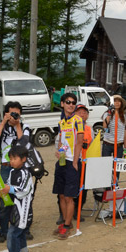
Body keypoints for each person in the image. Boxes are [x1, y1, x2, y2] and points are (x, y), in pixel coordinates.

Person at [0, 101, 31, 243]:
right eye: (11, 113)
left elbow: (24, 144)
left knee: (22, 197)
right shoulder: (1, 127)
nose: (14, 116)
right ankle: (3, 231)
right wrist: (3, 123)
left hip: (21, 167)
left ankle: (23, 228)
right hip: (6, 167)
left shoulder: (25, 127)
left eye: (17, 113)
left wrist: (17, 125)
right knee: (4, 200)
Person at [53, 93, 83, 240]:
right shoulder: (61, 122)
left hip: (73, 162)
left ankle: (66, 225)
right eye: (68, 102)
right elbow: (60, 142)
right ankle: (66, 222)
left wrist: (76, 161)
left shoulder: (78, 120)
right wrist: (59, 152)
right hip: (63, 162)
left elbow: (79, 142)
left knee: (69, 196)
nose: (71, 105)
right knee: (61, 194)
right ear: (62, 104)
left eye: (73, 103)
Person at [0, 144, 34, 252]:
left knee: (13, 232)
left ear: (23, 159)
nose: (12, 161)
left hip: (23, 208)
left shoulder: (26, 173)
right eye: (10, 158)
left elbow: (24, 190)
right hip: (14, 207)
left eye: (14, 158)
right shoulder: (12, 171)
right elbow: (8, 185)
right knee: (20, 231)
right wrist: (4, 190)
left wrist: (10, 189)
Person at [72, 103, 93, 222]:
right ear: (75, 114)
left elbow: (93, 144)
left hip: (86, 162)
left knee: (83, 187)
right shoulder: (70, 126)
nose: (82, 114)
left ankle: (78, 210)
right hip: (73, 161)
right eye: (79, 112)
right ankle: (67, 211)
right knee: (72, 186)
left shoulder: (90, 129)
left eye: (84, 112)